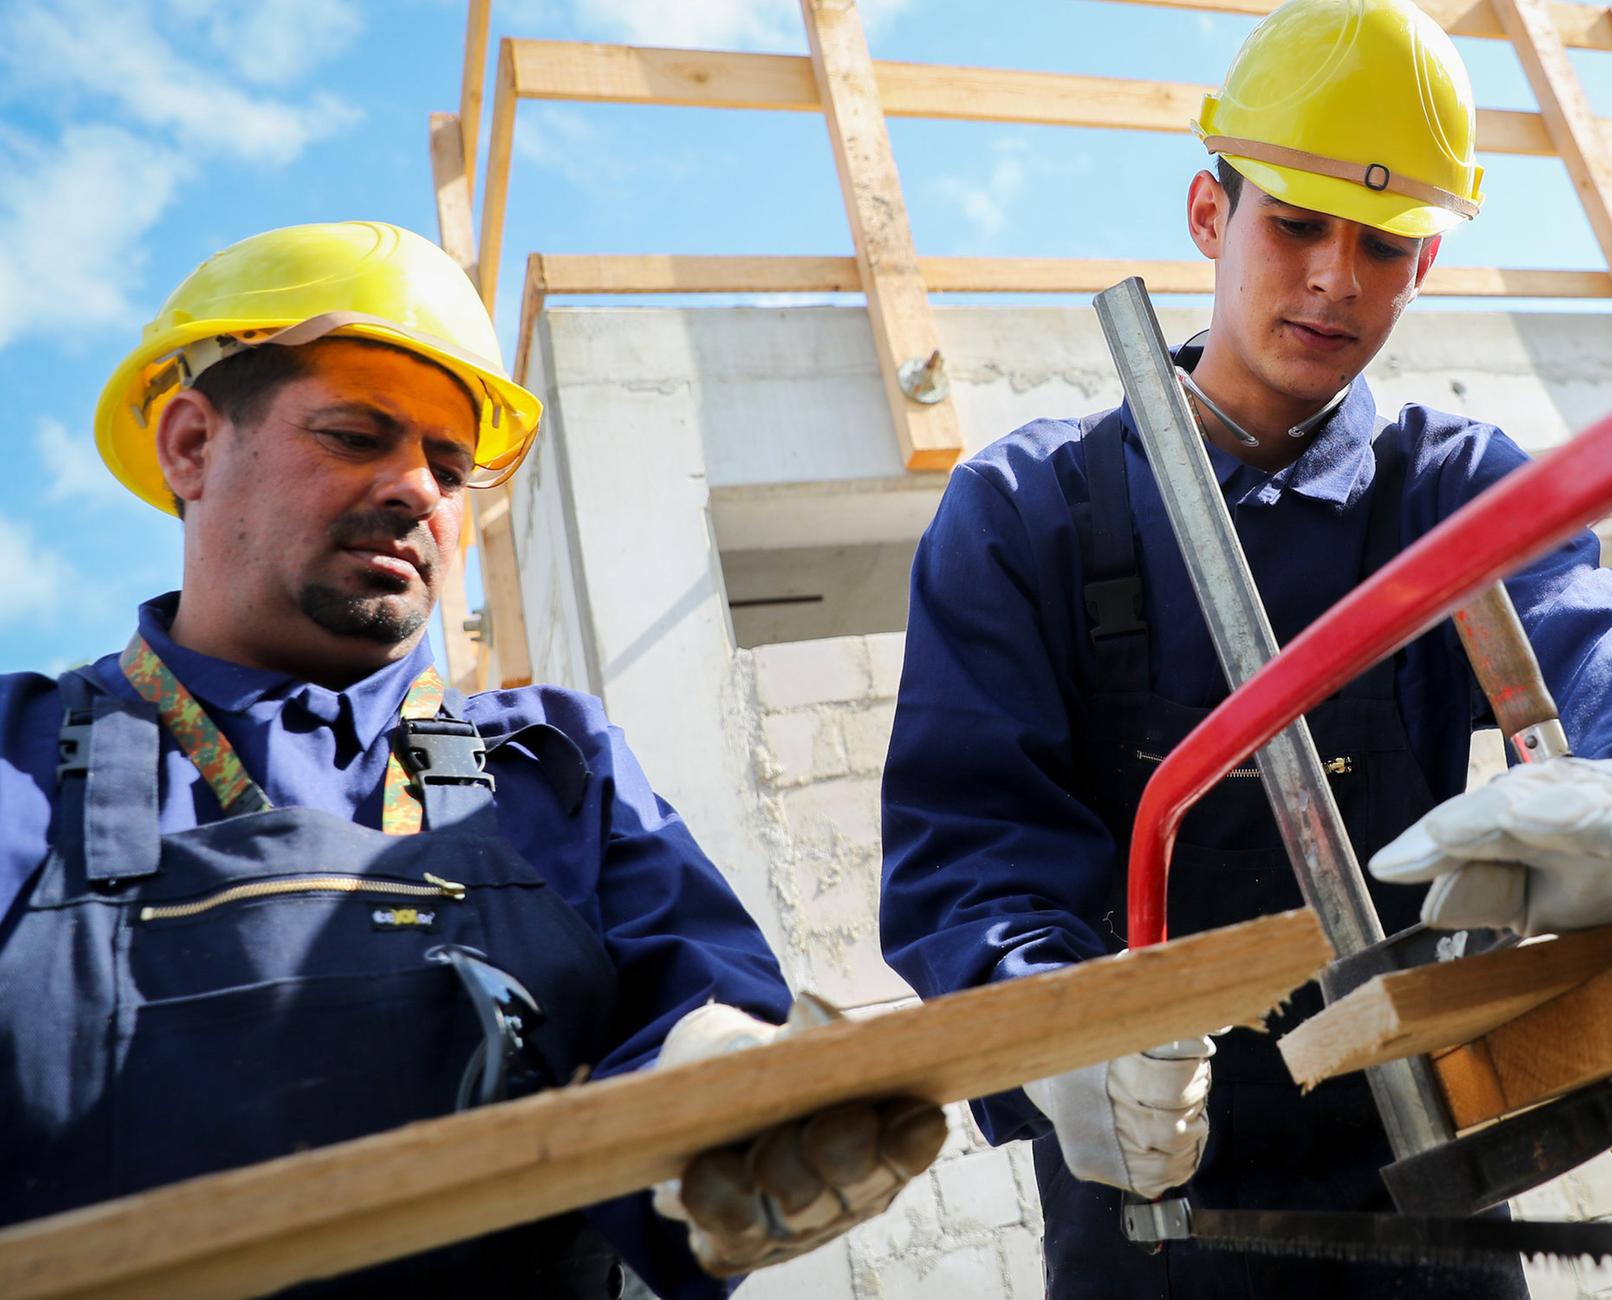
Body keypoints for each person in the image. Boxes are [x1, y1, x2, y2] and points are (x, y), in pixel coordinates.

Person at [879, 1, 1612, 1293]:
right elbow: (967, 851)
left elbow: (1584, 628)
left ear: (1426, 264)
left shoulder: (1451, 488)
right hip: (1151, 1201)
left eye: (1384, 243)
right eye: (1294, 223)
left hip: (1424, 1181)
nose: (1334, 278)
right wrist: (1062, 1040)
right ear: (1209, 214)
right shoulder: (1027, 511)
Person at [0, 221, 943, 1297]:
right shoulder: (18, 767)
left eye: (450, 467)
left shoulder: (550, 761)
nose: (418, 491)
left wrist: (719, 1087)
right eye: (357, 433)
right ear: (191, 445)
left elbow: (694, 1003)